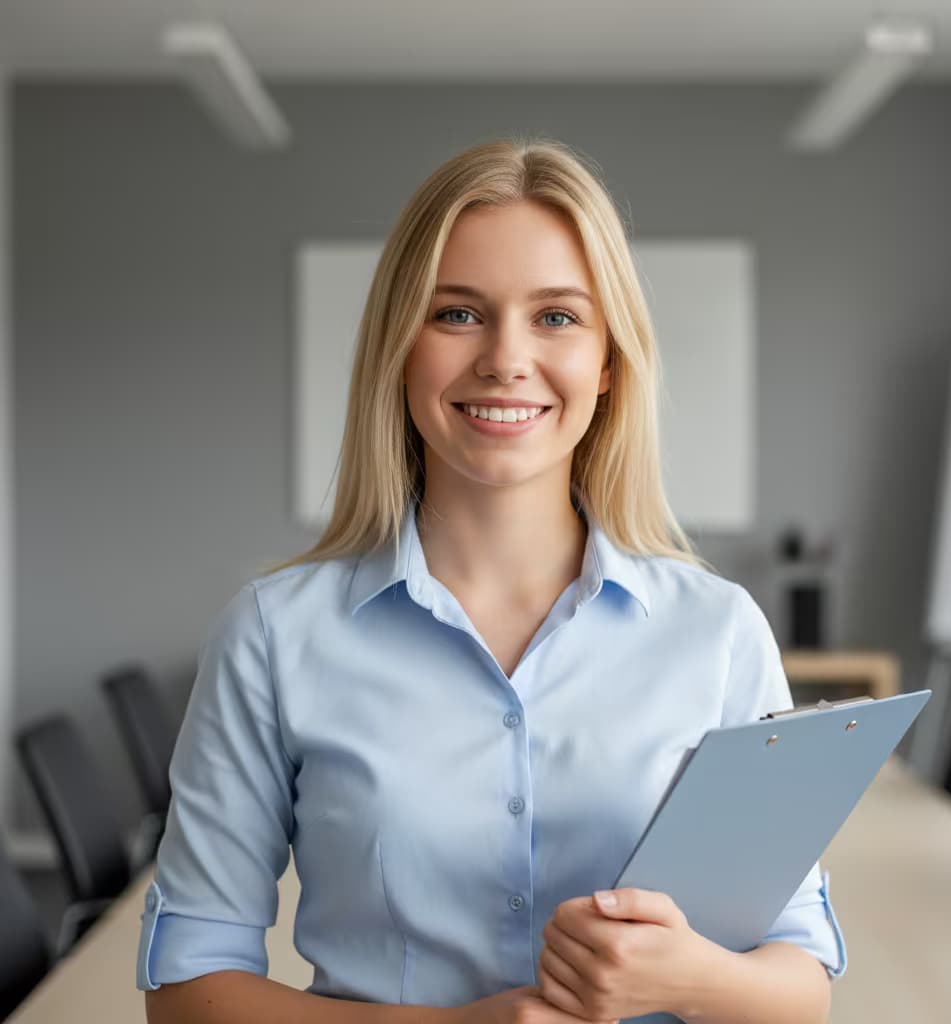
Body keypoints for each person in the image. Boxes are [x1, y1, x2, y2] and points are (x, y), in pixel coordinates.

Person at [137, 137, 845, 1024]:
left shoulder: (718, 633)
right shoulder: (274, 636)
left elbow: (801, 989)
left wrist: (687, 979)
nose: (506, 359)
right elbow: (186, 995)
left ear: (608, 366)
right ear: (399, 351)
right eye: (458, 314)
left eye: (557, 317)